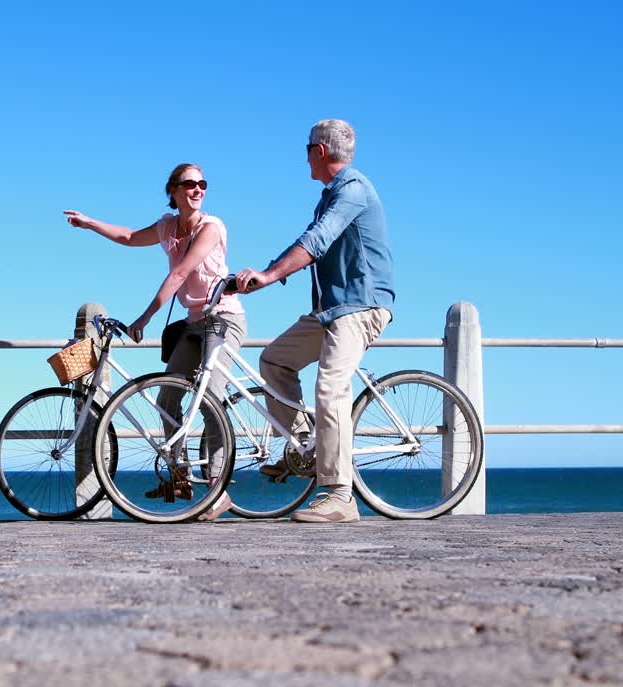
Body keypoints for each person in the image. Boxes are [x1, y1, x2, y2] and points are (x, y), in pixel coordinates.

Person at [63, 163, 246, 521]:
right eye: (189, 184)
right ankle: (180, 477)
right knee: (167, 397)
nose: (197, 189)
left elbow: (180, 273)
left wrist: (144, 317)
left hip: (223, 319)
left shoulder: (211, 227)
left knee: (210, 399)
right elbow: (129, 237)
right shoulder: (167, 227)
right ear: (173, 191)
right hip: (193, 322)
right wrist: (89, 223)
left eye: (202, 183)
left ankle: (217, 489)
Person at [234, 119, 394, 523]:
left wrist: (269, 276)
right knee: (274, 360)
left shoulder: (353, 189)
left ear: (319, 151)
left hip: (360, 306)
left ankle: (340, 495)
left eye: (307, 149)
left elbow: (317, 241)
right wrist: (262, 275)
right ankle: (306, 446)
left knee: (331, 387)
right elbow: (305, 241)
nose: (304, 157)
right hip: (330, 310)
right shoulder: (329, 196)